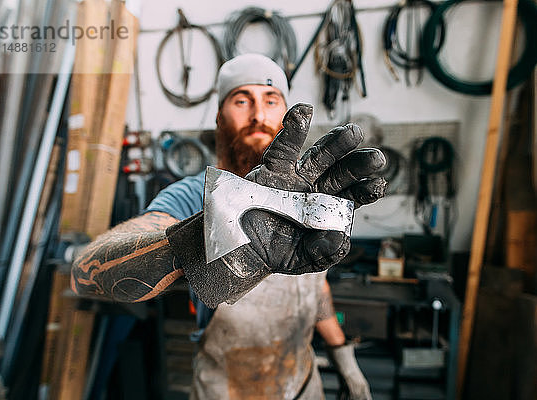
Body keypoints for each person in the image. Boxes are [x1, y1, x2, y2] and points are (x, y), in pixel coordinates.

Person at [71, 53, 387, 399]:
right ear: (220, 119)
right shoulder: (194, 196)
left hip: (302, 387)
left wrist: (343, 357)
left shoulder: (309, 194)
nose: (258, 115)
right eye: (241, 100)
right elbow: (90, 271)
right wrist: (204, 238)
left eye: (271, 101)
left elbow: (316, 291)